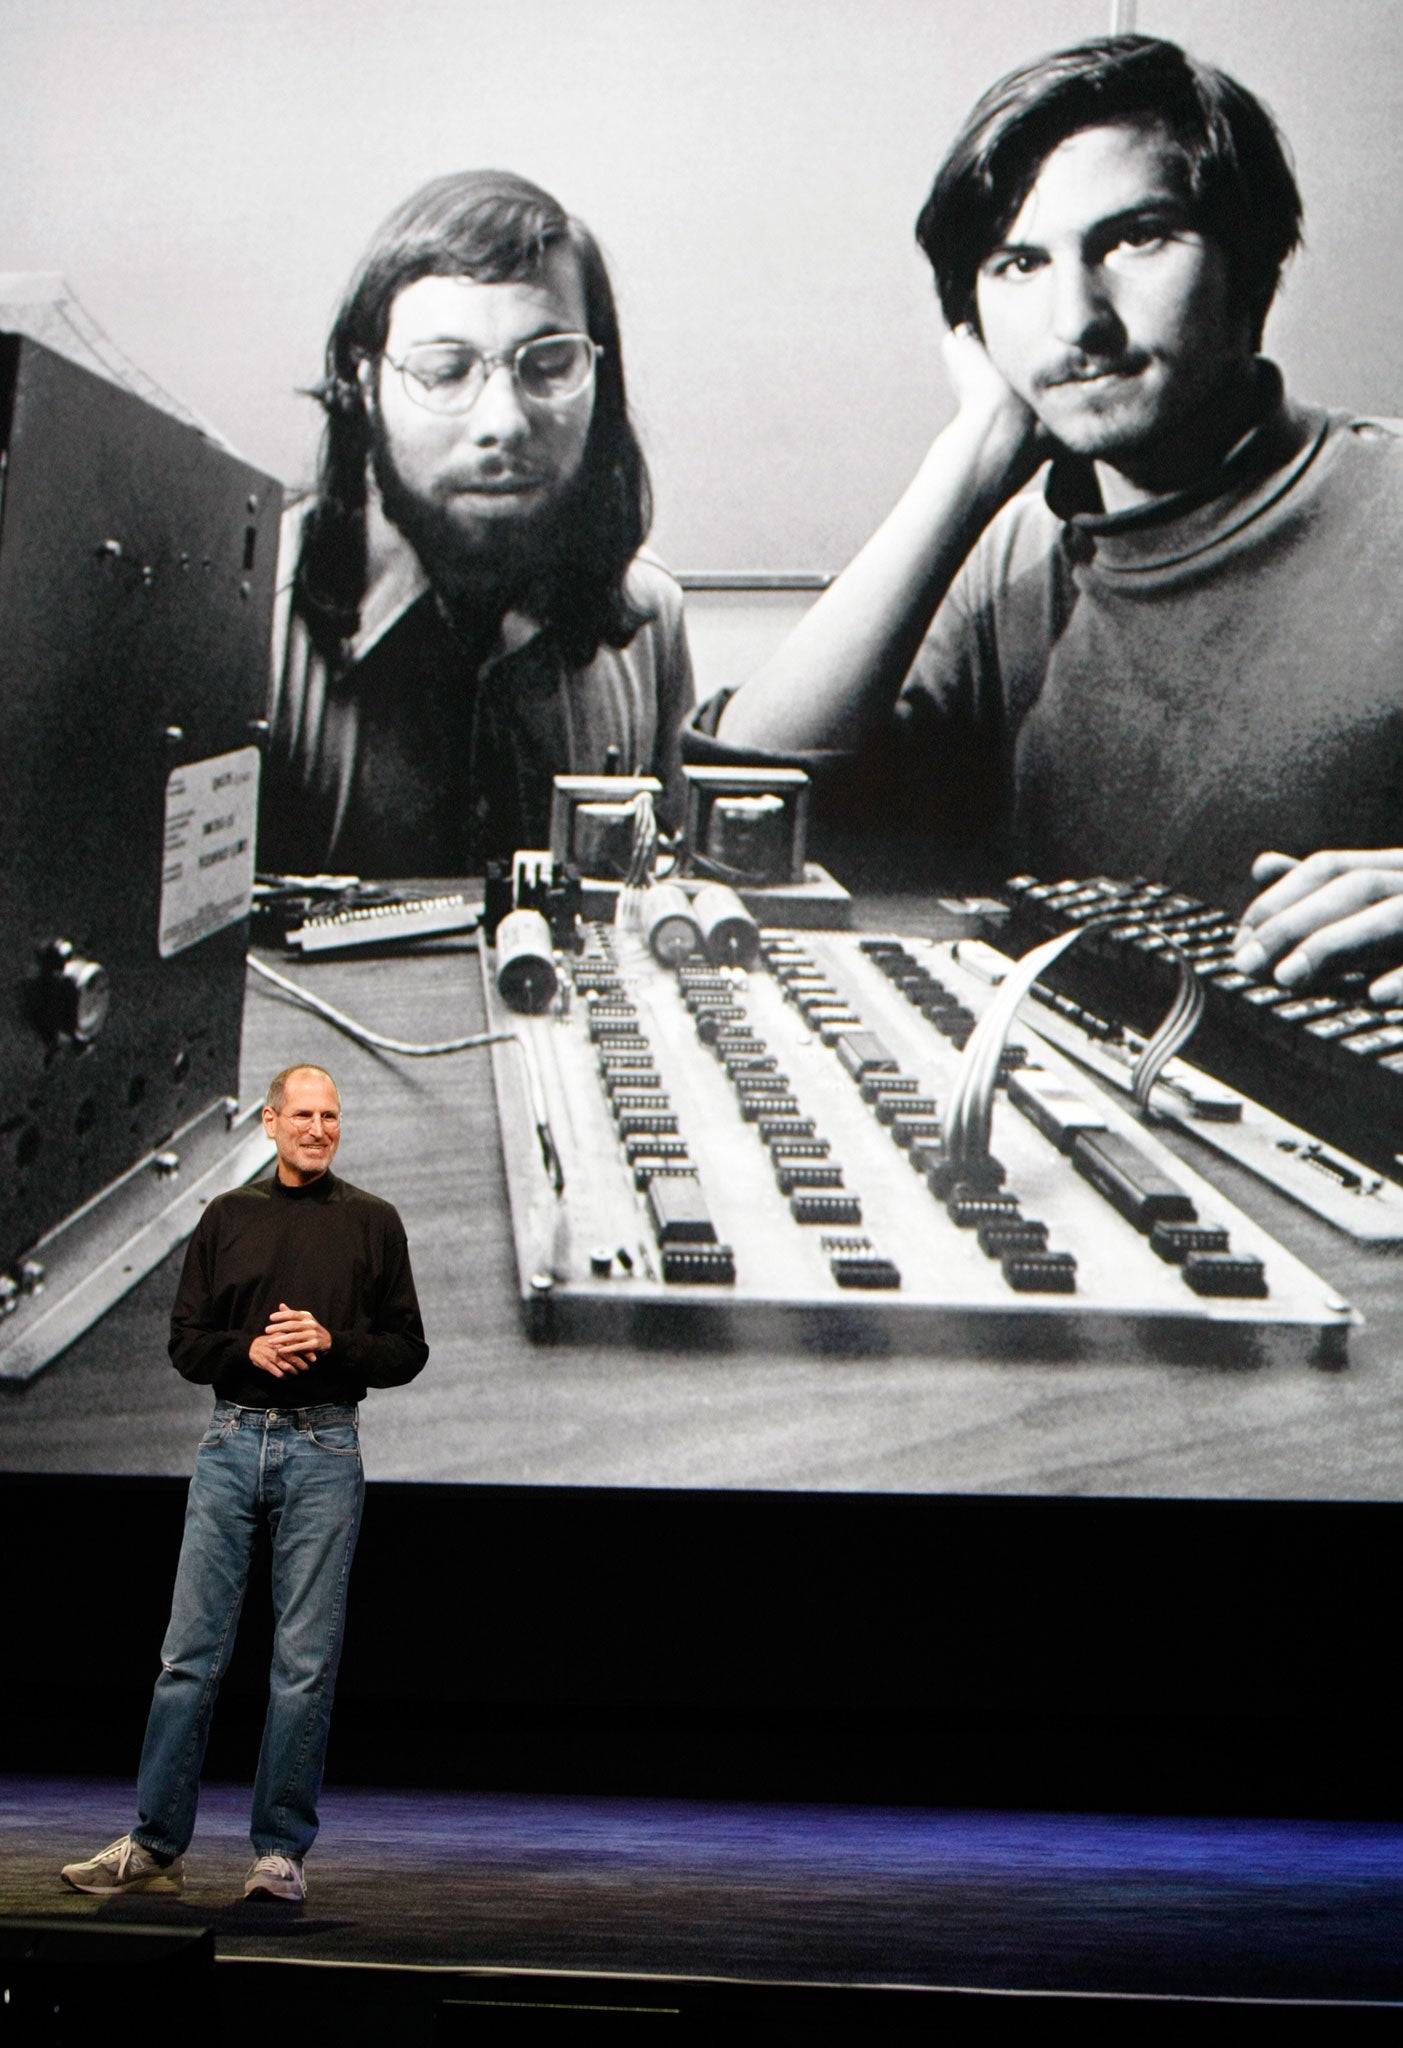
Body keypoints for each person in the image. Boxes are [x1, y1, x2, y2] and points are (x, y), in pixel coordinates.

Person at [700, 34, 1403, 1005]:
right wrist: (971, 458)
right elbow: (744, 808)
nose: (1075, 318)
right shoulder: (1012, 566)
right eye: (1017, 262)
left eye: (1134, 237)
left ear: (1247, 262)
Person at [60, 1064, 428, 1903]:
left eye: (331, 1116)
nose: (319, 1129)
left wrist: (332, 1343)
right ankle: (156, 1846)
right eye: (302, 1115)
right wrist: (247, 1353)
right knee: (187, 1657)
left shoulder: (374, 1221)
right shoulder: (227, 1215)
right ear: (269, 1122)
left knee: (302, 1662)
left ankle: (279, 1855)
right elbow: (187, 1342)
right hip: (231, 1440)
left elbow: (407, 1351)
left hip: (325, 1446)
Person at [260, 169, 694, 879]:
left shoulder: (650, 620)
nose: (504, 422)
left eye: (550, 364)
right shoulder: (247, 630)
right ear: (364, 387)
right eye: (444, 370)